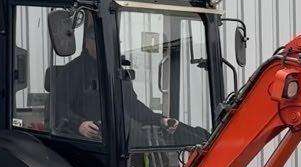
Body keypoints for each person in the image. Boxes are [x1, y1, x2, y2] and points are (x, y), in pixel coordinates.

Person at [48, 22, 208, 147]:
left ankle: (205, 139)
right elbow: (58, 108)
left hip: (121, 140)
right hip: (86, 143)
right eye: (103, 41)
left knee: (183, 139)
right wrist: (79, 125)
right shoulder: (71, 72)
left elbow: (132, 106)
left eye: (114, 42)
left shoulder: (117, 71)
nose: (110, 46)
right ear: (89, 43)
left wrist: (160, 120)